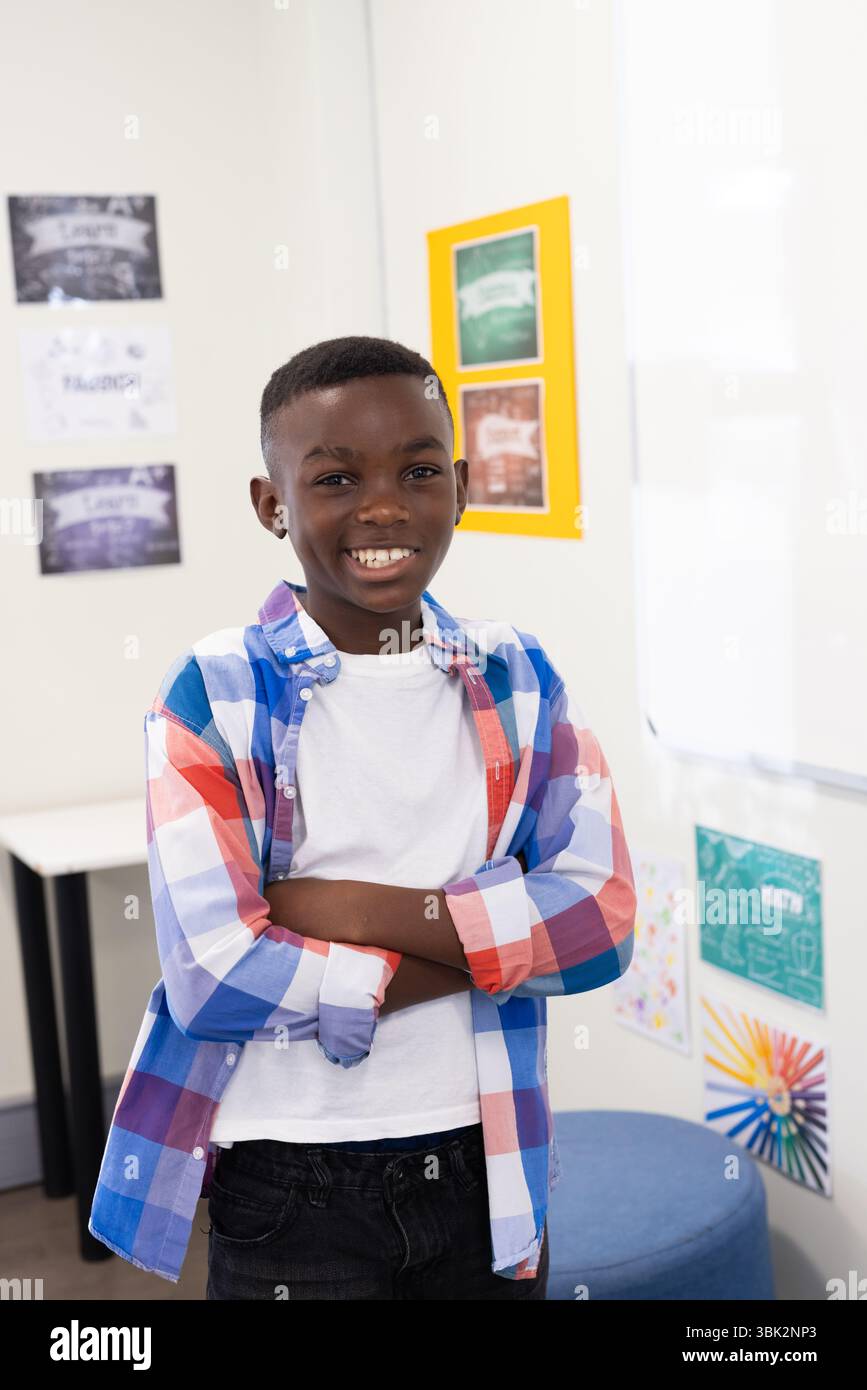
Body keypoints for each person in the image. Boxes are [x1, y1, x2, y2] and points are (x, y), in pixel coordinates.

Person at [88, 334, 637, 1300]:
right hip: (290, 1180)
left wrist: (339, 908)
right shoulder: (214, 691)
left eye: (419, 470)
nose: (383, 507)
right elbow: (212, 978)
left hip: (487, 1154)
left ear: (459, 484)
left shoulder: (518, 675)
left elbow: (600, 923)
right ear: (272, 505)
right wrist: (479, 945)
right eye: (336, 478)